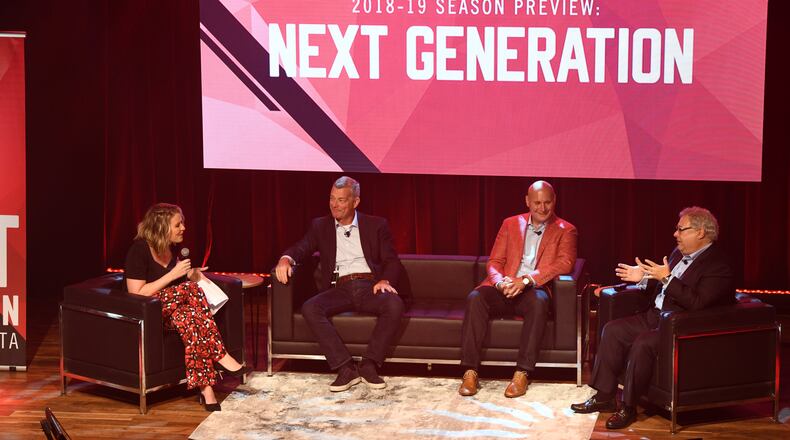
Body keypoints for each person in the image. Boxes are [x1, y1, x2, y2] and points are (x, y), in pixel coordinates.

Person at [571, 206, 735, 429]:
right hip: (655, 316)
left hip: (680, 326)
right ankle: (604, 397)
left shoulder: (719, 265)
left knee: (642, 344)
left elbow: (697, 302)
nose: (675, 234)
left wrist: (666, 278)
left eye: (681, 229)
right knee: (613, 330)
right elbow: (663, 280)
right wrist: (644, 277)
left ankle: (628, 407)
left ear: (700, 232)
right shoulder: (679, 253)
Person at [275, 176, 405, 392]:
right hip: (339, 288)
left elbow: (392, 260)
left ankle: (369, 364)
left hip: (369, 285)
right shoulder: (320, 226)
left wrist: (384, 280)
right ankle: (345, 368)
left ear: (355, 202)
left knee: (394, 305)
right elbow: (302, 247)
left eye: (342, 200)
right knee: (310, 307)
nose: (335, 205)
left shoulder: (376, 225)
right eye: (332, 199)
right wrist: (285, 258)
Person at [125, 203, 250, 412]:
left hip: (175, 310)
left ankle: (207, 390)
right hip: (149, 312)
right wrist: (173, 275)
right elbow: (137, 293)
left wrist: (189, 274)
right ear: (162, 227)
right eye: (178, 224)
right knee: (190, 290)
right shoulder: (139, 250)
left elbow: (174, 286)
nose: (183, 228)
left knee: (190, 320)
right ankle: (220, 355)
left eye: (182, 223)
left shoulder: (168, 248)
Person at [458, 180, 578, 398]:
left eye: (547, 203)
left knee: (539, 302)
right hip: (505, 284)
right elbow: (494, 261)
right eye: (537, 203)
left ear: (555, 201)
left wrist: (525, 281)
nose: (542, 208)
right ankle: (469, 371)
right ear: (527, 202)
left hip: (533, 288)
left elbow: (565, 263)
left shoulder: (566, 230)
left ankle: (522, 373)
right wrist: (500, 282)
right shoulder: (510, 224)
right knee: (475, 297)